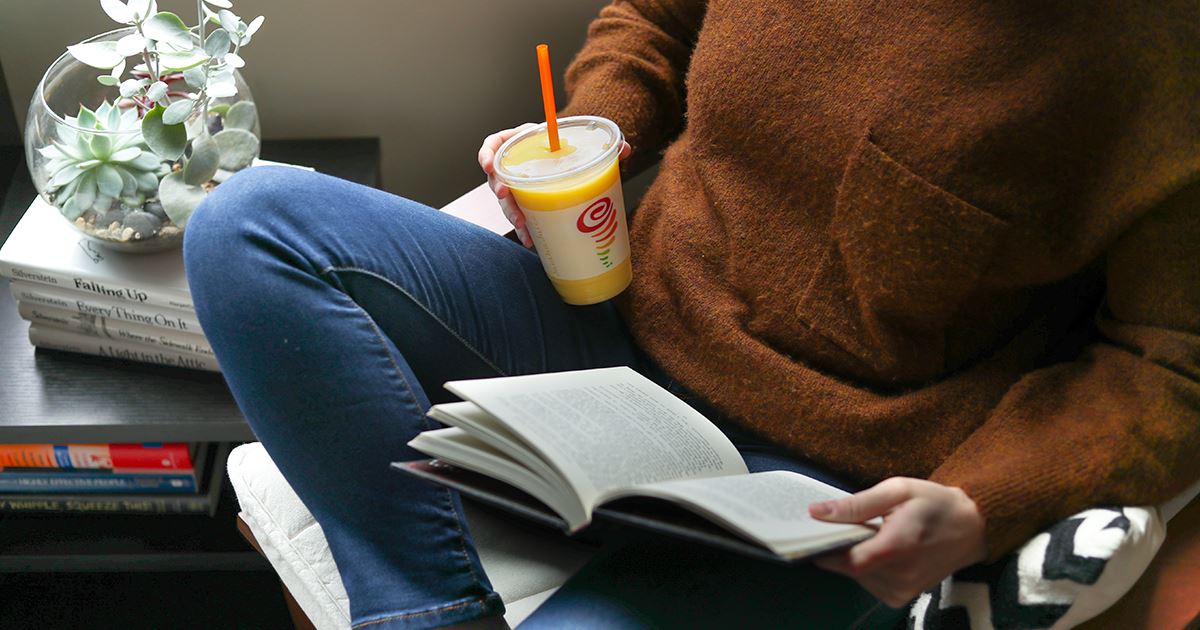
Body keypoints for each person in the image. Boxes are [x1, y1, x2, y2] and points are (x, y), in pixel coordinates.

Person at [183, 1, 1199, 628]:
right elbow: (651, 20)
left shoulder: (1161, 60)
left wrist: (982, 502)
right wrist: (597, 133)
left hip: (817, 492)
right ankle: (431, 612)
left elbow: (1172, 361)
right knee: (248, 224)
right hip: (607, 334)